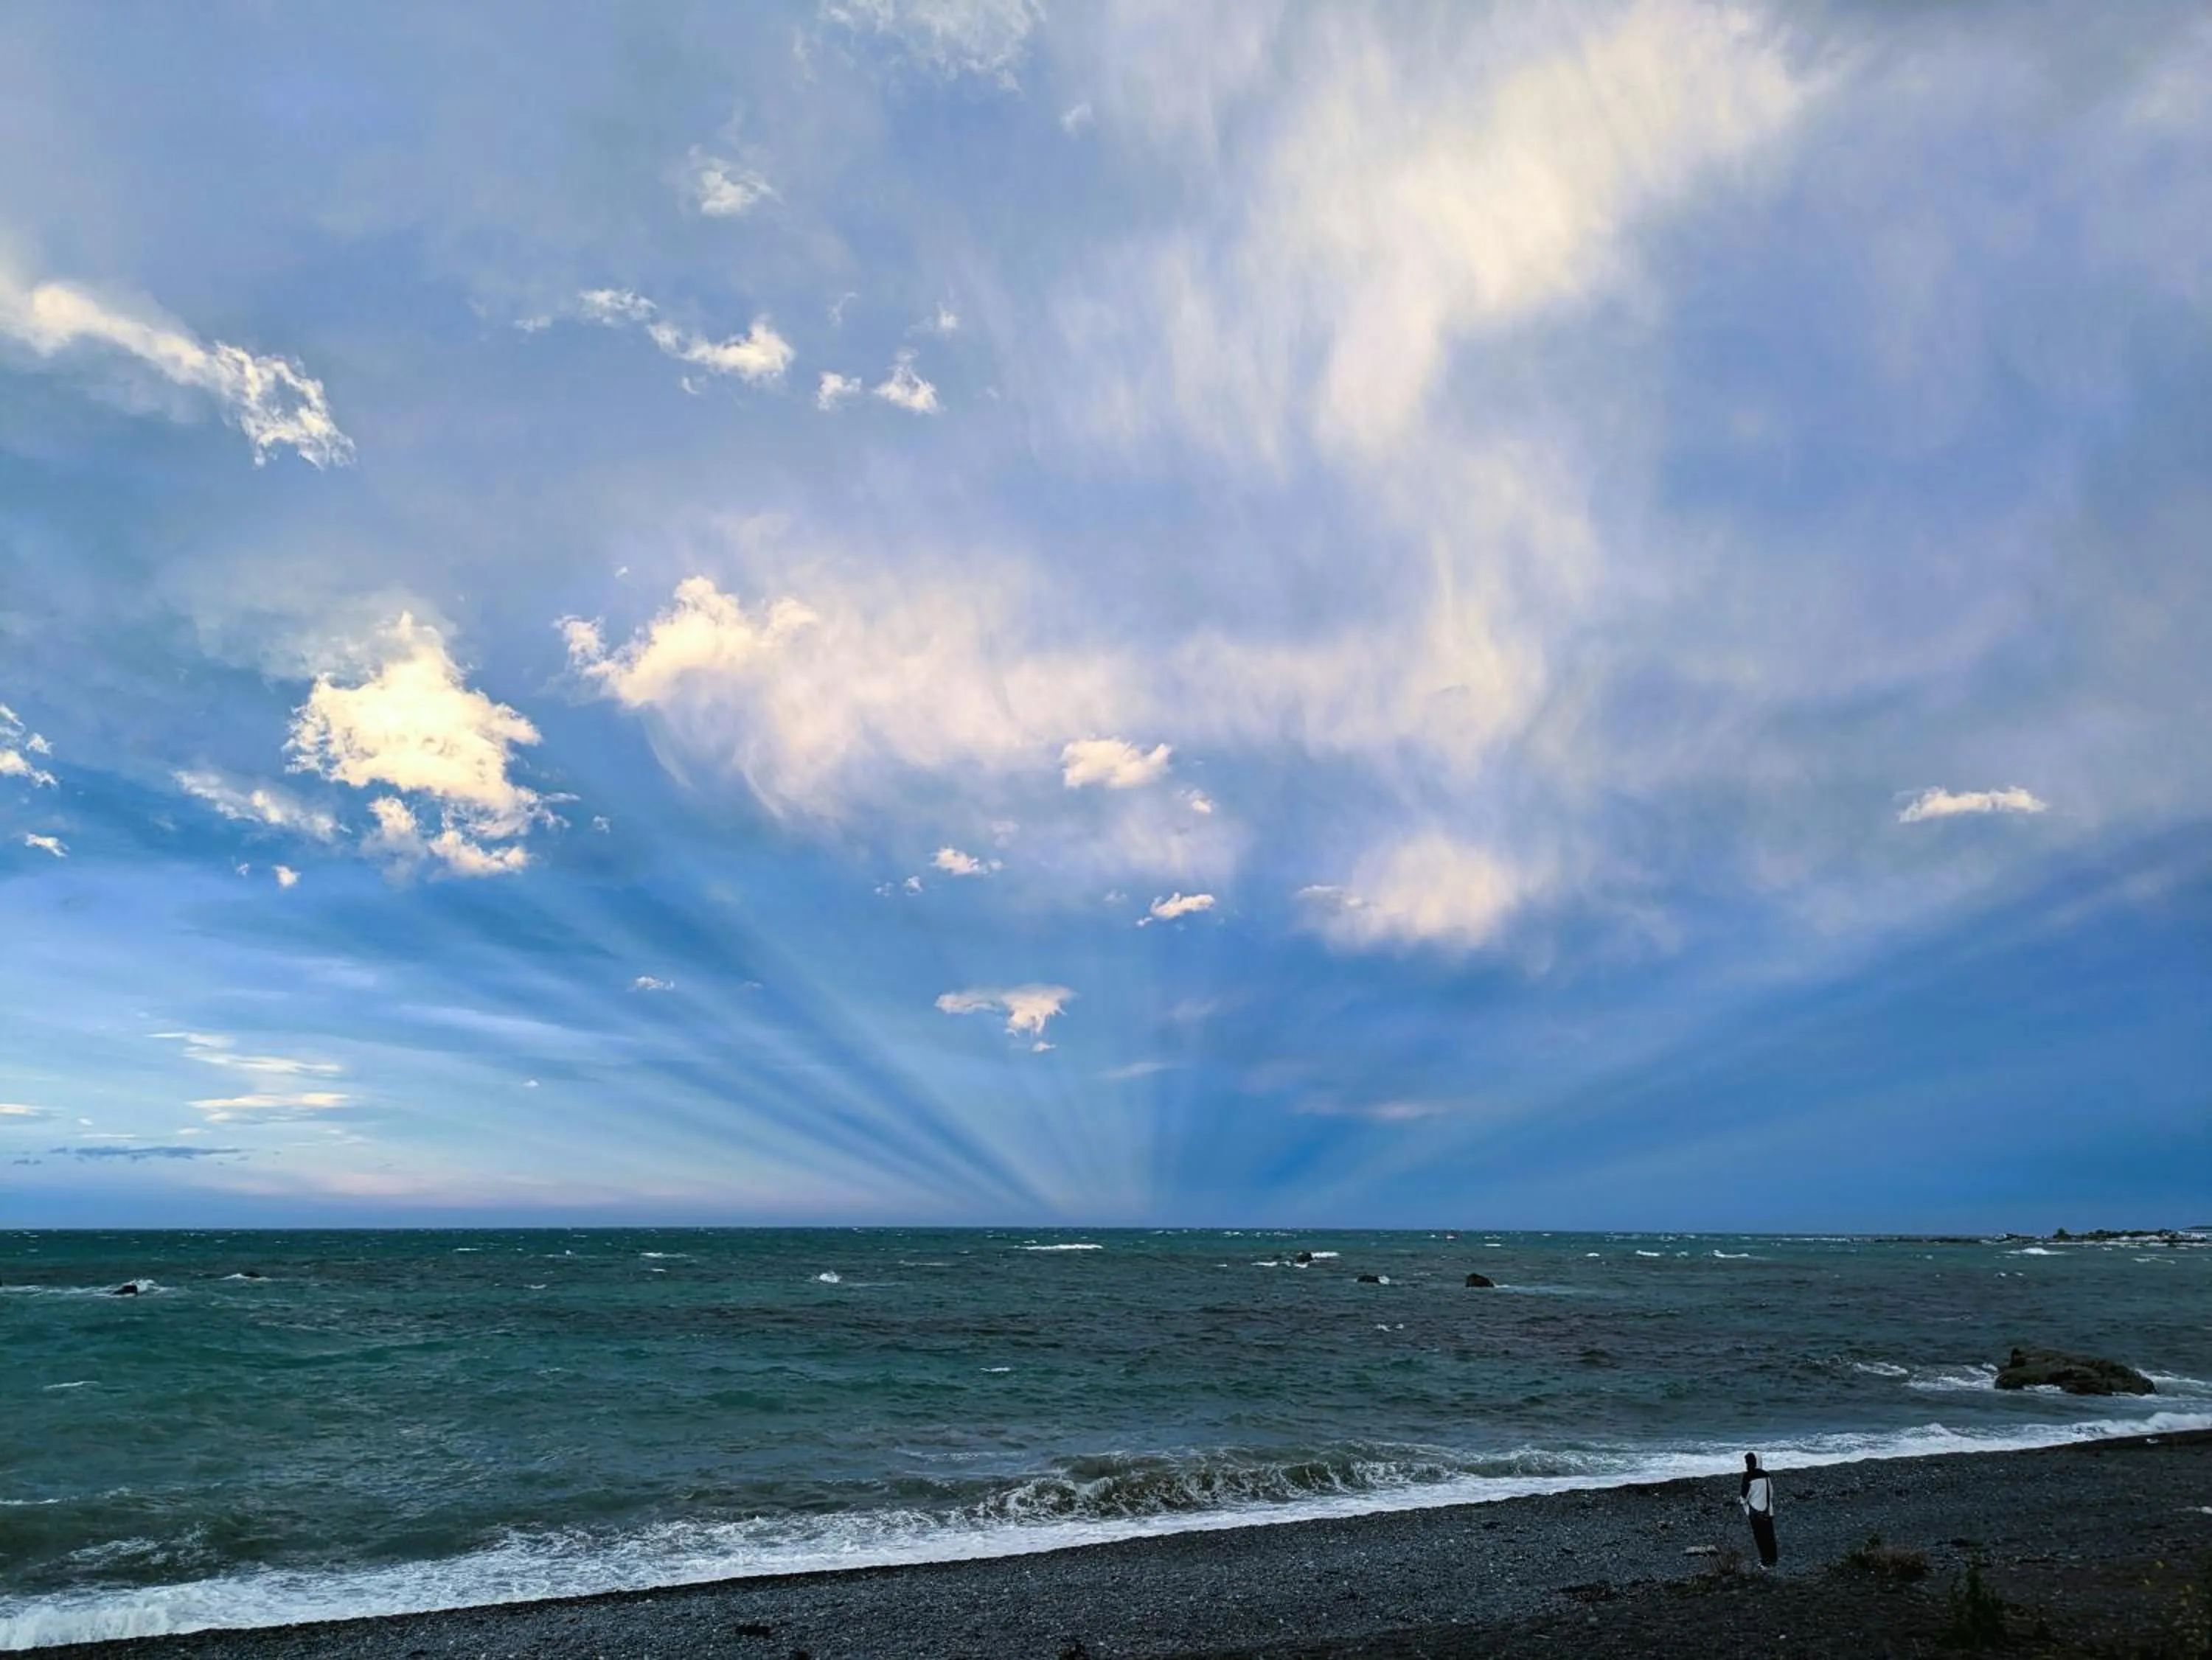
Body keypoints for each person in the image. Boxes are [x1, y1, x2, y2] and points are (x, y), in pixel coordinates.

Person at [1739, 1452, 1778, 1568]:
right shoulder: (1767, 1475)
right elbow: (1771, 1493)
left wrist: (1742, 1502)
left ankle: (1765, 1562)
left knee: (1760, 1538)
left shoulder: (1748, 1476)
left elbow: (1744, 1496)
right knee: (1770, 1537)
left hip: (1755, 1512)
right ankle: (1773, 1560)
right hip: (1768, 1511)